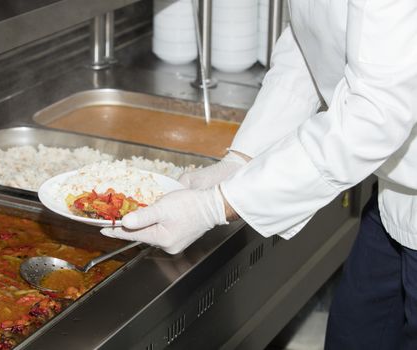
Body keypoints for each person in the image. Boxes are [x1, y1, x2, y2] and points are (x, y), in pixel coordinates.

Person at [102, 1, 417, 348]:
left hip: (398, 165)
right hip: (394, 196)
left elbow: (373, 118)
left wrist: (216, 205)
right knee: (354, 337)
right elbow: (308, 44)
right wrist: (240, 160)